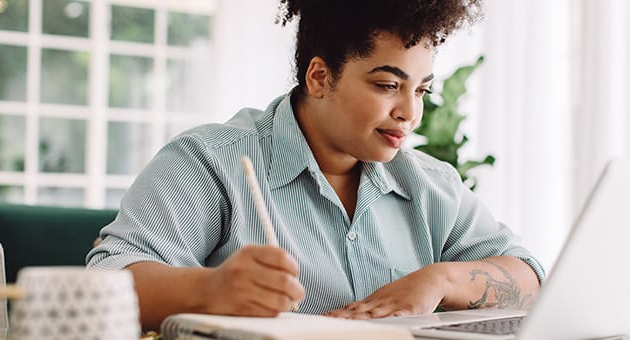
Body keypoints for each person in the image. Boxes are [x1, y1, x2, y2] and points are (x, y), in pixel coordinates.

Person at [87, 0, 545, 331]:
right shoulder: (212, 161)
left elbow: (530, 279)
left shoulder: (430, 185)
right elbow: (103, 286)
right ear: (320, 77)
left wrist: (440, 279)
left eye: (421, 90)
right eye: (388, 84)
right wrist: (209, 290)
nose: (410, 112)